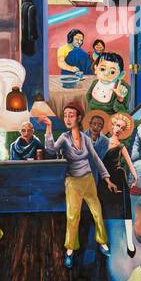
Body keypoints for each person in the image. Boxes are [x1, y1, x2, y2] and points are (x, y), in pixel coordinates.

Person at [40, 100, 118, 268]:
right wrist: (48, 128)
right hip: (73, 182)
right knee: (72, 216)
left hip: (88, 179)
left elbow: (96, 159)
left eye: (71, 115)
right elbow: (51, 149)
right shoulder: (64, 137)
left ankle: (102, 242)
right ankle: (70, 250)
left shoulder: (85, 138)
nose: (67, 119)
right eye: (66, 115)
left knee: (97, 211)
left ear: (79, 118)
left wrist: (107, 178)